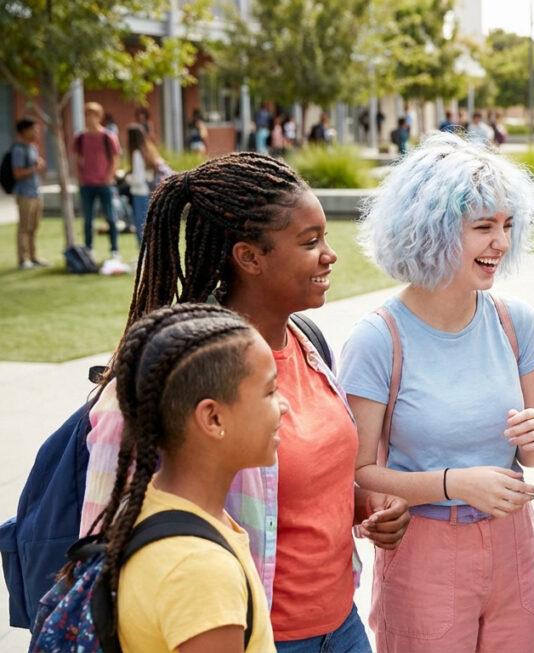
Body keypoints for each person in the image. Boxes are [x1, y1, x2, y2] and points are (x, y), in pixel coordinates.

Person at [79, 152, 411, 652]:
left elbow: (309, 482)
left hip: (341, 628)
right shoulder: (180, 372)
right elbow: (111, 538)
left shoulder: (310, 343)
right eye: (309, 241)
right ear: (249, 257)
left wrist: (366, 505)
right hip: (246, 635)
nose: (329, 255)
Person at [340, 132, 534, 652]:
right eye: (483, 227)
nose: (501, 242)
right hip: (423, 553)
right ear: (429, 230)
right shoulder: (377, 338)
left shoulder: (514, 321)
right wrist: (455, 484)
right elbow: (358, 471)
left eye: (506, 225)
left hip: (514, 547)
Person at [101, 304, 281, 652]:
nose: (283, 407)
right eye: (270, 392)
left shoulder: (161, 503)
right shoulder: (199, 571)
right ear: (213, 418)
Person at [75, 101, 122, 261]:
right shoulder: (80, 137)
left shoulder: (108, 136)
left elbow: (116, 159)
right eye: (86, 115)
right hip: (87, 185)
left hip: (104, 185)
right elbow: (77, 159)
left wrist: (108, 177)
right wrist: (80, 177)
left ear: (99, 117)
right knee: (88, 220)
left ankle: (114, 250)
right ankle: (88, 250)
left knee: (111, 218)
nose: (89, 118)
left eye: (92, 115)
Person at [11, 117, 47, 269]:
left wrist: (39, 164)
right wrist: (34, 168)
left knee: (34, 227)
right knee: (24, 227)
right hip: (24, 193)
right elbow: (17, 173)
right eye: (33, 129)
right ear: (24, 131)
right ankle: (23, 259)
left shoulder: (33, 147)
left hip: (35, 191)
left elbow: (36, 165)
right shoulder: (18, 149)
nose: (36, 132)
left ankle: (33, 257)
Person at [125, 123, 157, 246]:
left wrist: (127, 179)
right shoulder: (147, 151)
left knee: (140, 225)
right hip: (148, 192)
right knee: (148, 224)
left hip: (139, 193)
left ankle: (143, 254)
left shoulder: (136, 154)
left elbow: (138, 179)